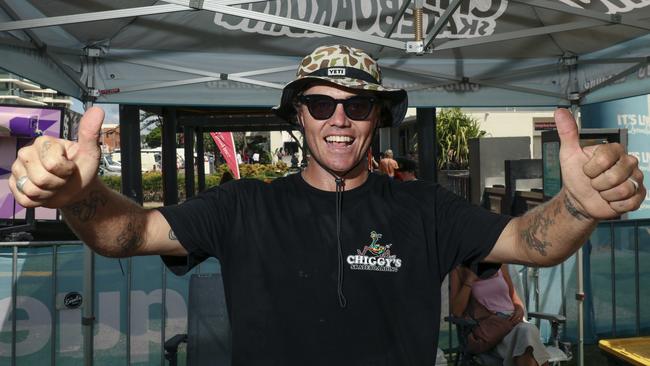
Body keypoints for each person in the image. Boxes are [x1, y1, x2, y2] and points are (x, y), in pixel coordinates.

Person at [8, 44, 645, 365]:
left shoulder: (425, 208)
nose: (339, 119)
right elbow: (128, 234)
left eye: (358, 105)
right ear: (299, 119)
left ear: (378, 118)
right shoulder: (242, 207)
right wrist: (79, 197)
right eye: (320, 104)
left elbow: (533, 241)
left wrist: (580, 205)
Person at [451, 264, 550, 366]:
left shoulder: (499, 263)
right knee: (528, 337)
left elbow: (515, 298)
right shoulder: (459, 268)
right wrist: (469, 280)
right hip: (492, 330)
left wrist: (519, 308)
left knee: (527, 336)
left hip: (513, 322)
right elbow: (456, 311)